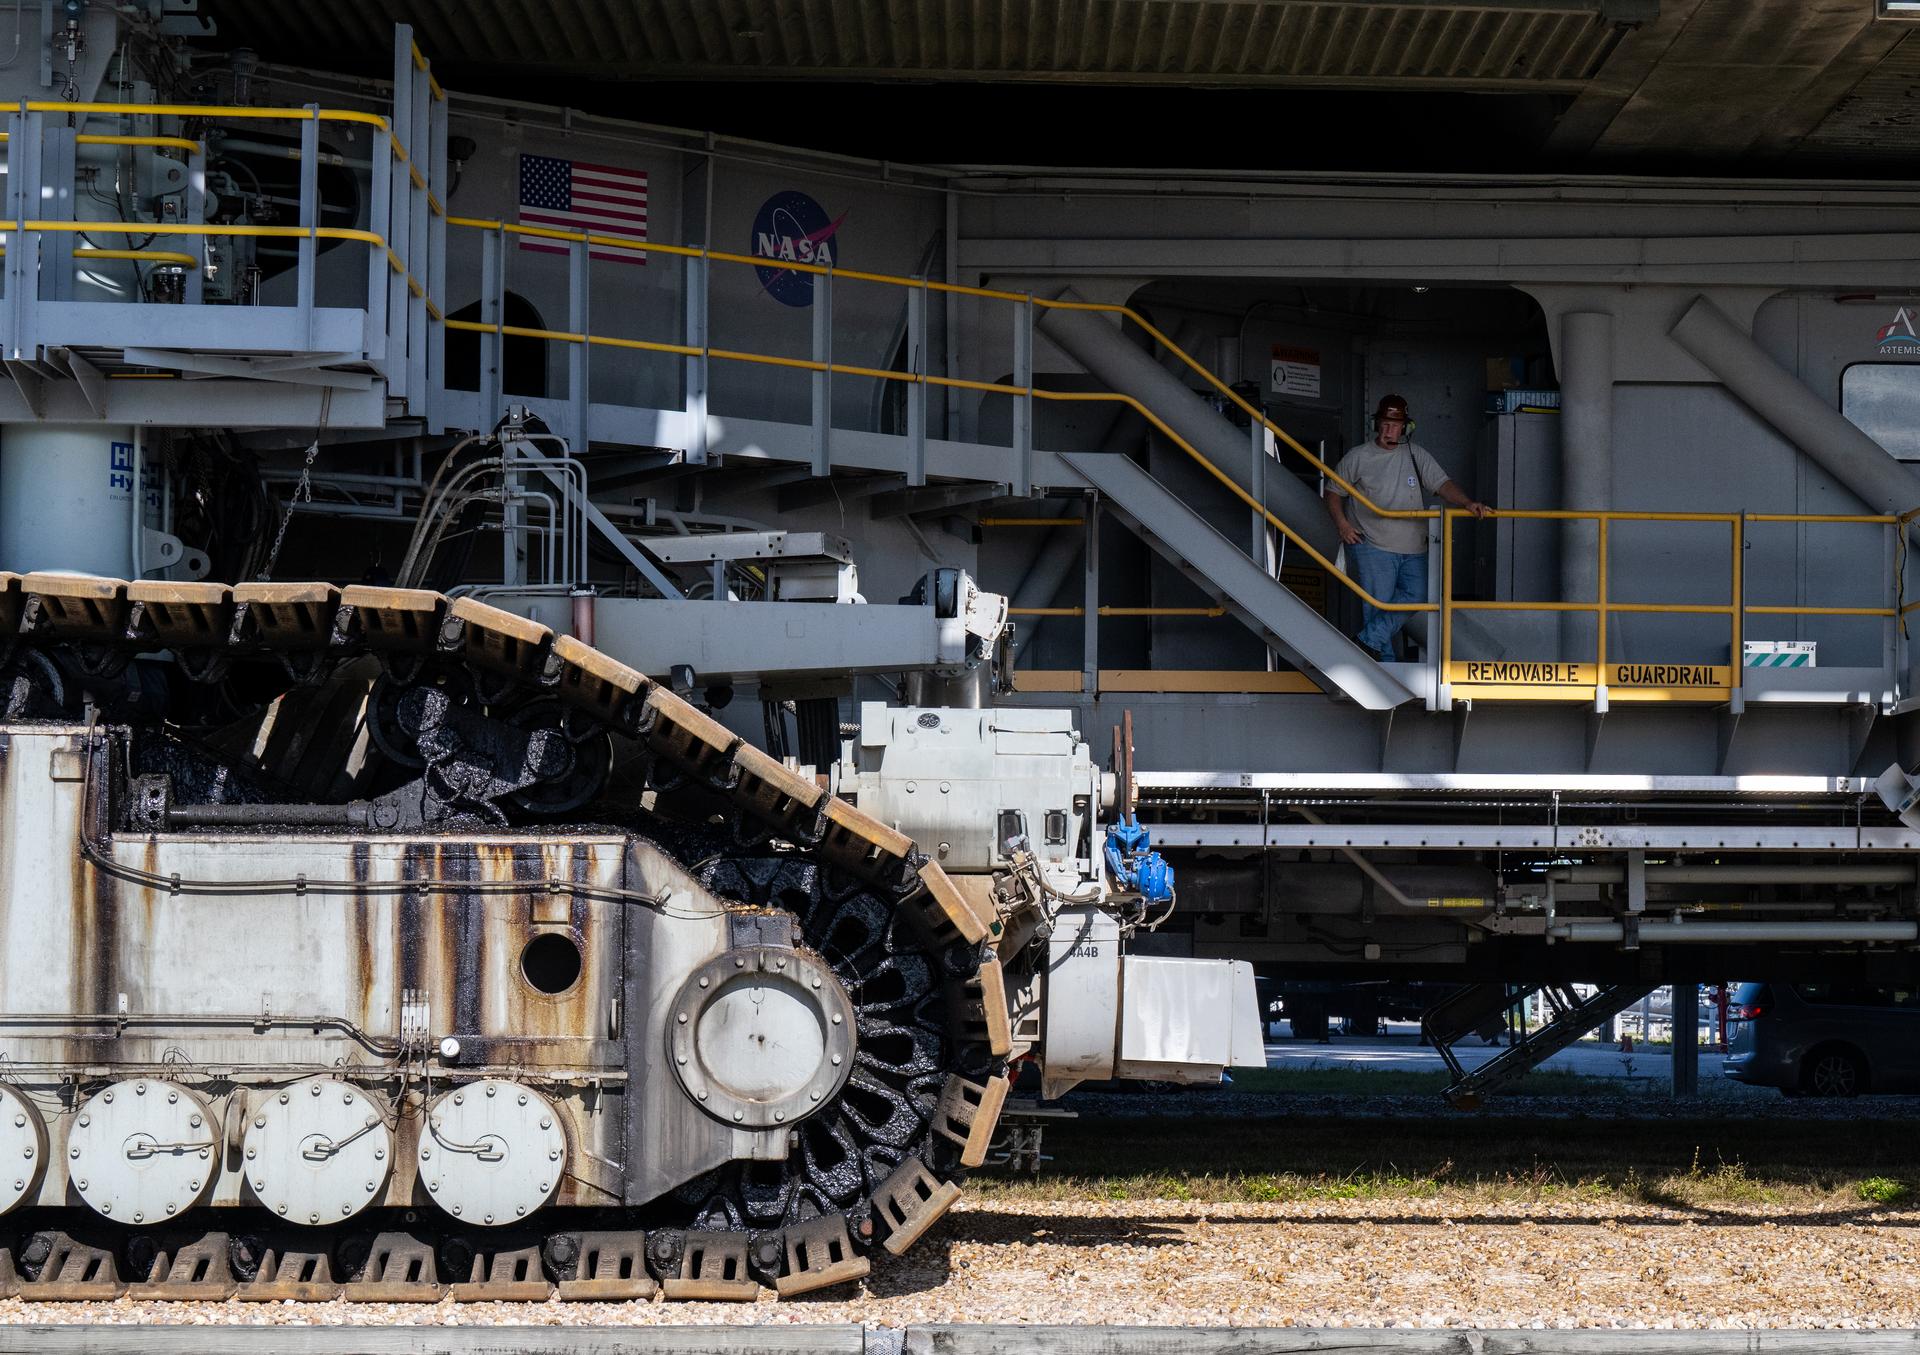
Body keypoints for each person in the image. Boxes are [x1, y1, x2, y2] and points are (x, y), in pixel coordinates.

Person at [1324, 394, 1491, 662]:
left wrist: (1468, 503)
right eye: (1386, 424)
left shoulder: (1416, 454)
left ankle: (1368, 642)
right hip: (1373, 547)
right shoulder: (1358, 457)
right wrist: (1343, 526)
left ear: (1406, 427)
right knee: (1377, 609)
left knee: (1420, 595)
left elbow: (1442, 484)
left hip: (1414, 547)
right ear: (1376, 424)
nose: (1390, 430)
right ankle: (1384, 672)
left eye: (1396, 424)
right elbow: (1333, 492)